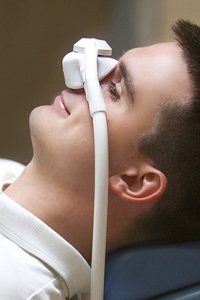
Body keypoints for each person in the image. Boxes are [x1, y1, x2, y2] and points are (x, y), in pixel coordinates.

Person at [0, 18, 200, 299]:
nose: (85, 76)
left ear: (135, 181)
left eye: (115, 90)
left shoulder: (17, 288)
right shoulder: (6, 174)